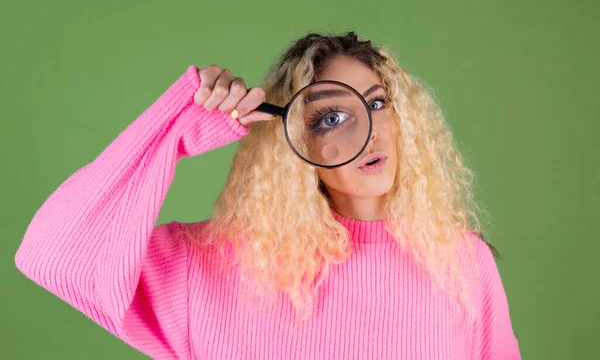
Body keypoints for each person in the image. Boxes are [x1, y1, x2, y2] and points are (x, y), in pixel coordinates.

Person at [14, 32, 521, 359]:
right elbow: (52, 256)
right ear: (292, 144)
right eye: (329, 118)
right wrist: (173, 130)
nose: (365, 134)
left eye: (378, 103)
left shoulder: (460, 262)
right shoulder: (209, 266)